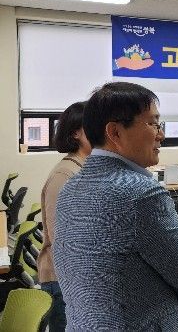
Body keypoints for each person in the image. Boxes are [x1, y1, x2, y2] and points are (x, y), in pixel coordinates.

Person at [53, 82, 178, 331]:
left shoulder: (70, 188)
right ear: (115, 132)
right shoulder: (140, 192)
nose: (161, 135)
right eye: (153, 124)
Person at [37, 101, 91, 331]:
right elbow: (62, 239)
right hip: (63, 281)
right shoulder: (64, 175)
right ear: (76, 133)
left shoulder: (83, 168)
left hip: (77, 279)